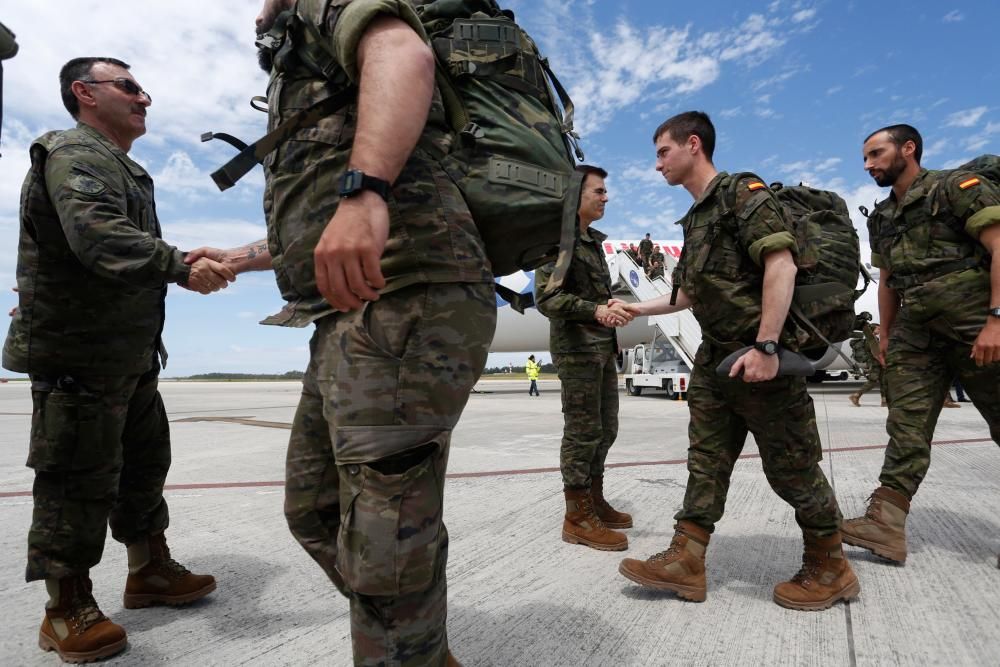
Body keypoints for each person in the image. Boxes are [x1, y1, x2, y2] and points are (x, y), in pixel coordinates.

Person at [192, 2, 499, 663]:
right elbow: (313, 213)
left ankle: (405, 643)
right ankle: (416, 638)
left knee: (384, 544)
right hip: (344, 311)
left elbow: (404, 57)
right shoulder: (292, 55)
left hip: (407, 294)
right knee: (317, 510)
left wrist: (365, 193)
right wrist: (237, 258)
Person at [2, 57, 229, 663]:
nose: (144, 98)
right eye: (128, 87)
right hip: (79, 354)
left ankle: (149, 570)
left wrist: (177, 254)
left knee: (143, 463)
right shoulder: (74, 153)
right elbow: (97, 235)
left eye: (142, 88)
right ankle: (65, 609)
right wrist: (181, 266)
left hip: (126, 354)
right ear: (84, 93)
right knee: (77, 478)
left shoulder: (119, 165)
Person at [616, 111, 858, 611]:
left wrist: (768, 346)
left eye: (663, 151)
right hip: (715, 360)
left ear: (693, 145)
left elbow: (780, 263)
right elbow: (685, 295)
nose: (657, 164)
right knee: (705, 463)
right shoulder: (698, 217)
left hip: (755, 356)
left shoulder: (740, 194)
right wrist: (637, 306)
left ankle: (831, 565)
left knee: (792, 468)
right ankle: (687, 559)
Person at [841, 124, 1000, 565]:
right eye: (866, 158)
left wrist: (996, 319)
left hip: (975, 321)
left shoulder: (956, 188)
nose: (869, 164)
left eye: (876, 154)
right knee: (906, 427)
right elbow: (887, 280)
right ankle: (886, 524)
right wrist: (887, 335)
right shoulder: (882, 218)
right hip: (916, 330)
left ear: (908, 149)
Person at [534, 164, 635, 552]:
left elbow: (588, 295)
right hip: (577, 351)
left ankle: (593, 501)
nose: (605, 197)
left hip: (599, 349)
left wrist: (607, 307)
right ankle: (577, 517)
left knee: (606, 429)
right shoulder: (558, 242)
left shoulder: (591, 241)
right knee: (582, 433)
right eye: (599, 191)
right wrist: (594, 312)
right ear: (576, 196)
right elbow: (548, 298)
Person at [849, 322, 887, 407]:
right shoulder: (872, 340)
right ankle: (856, 395)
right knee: (872, 381)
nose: (879, 330)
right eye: (878, 328)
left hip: (877, 362)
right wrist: (882, 362)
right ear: (873, 330)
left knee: (883, 381)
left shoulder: (873, 339)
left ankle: (884, 401)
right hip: (875, 363)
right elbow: (876, 354)